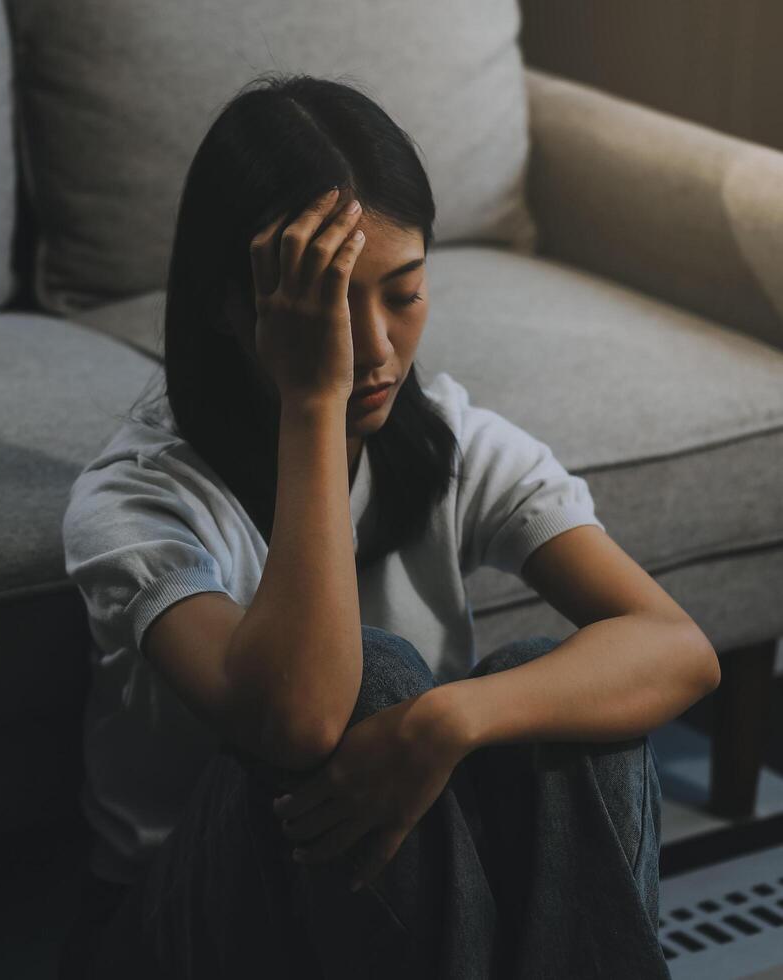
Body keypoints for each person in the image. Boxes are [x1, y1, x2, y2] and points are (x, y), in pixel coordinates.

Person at [57, 71, 722, 979]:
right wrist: (312, 403)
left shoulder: (452, 443)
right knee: (373, 679)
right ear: (230, 305)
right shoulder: (137, 503)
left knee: (543, 689)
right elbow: (297, 721)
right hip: (185, 927)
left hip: (404, 906)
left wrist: (448, 722)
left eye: (402, 294)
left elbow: (676, 648)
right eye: (329, 304)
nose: (373, 350)